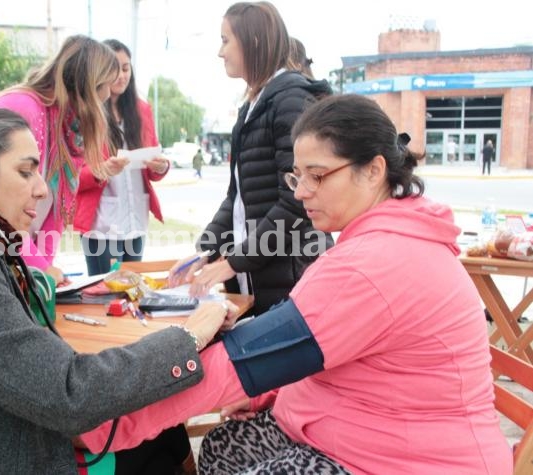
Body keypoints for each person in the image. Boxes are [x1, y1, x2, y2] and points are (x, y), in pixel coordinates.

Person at [80, 94, 512, 474]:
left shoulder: (374, 264)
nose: (302, 191)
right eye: (296, 175)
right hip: (364, 431)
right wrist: (265, 392)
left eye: (317, 175)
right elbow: (325, 352)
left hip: (409, 459)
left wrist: (102, 426)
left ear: (373, 170)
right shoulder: (385, 243)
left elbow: (237, 365)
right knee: (221, 447)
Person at [0, 101, 234, 474]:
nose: (41, 190)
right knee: (159, 450)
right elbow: (67, 392)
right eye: (26, 173)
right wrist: (188, 336)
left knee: (160, 437)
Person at [168, 1, 333, 315]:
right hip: (261, 278)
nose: (220, 52)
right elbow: (238, 198)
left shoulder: (290, 100)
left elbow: (297, 202)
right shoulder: (254, 106)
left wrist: (231, 263)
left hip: (291, 280)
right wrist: (204, 252)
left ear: (253, 41)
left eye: (225, 40)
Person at [0, 35, 119, 285]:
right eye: (106, 85)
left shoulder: (71, 128)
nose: (108, 95)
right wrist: (38, 267)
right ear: (89, 84)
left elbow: (57, 210)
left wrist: (44, 270)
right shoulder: (20, 107)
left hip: (22, 260)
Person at [74, 38, 170, 277]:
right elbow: (73, 175)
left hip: (135, 217)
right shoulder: (85, 111)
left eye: (126, 68)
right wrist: (103, 170)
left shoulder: (142, 109)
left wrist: (160, 166)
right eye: (114, 69)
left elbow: (152, 167)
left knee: (130, 287)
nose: (121, 75)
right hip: (101, 223)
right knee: (102, 288)